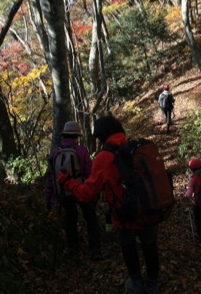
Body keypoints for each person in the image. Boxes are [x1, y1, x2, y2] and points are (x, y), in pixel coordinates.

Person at [59, 115, 161, 294]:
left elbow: (86, 194)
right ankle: (153, 284)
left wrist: (68, 182)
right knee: (150, 245)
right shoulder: (136, 147)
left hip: (125, 213)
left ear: (101, 136)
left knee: (128, 246)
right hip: (149, 207)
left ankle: (136, 283)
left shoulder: (104, 157)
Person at [47, 121, 101, 261]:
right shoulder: (81, 151)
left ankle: (73, 248)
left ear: (64, 135)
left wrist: (51, 196)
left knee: (70, 219)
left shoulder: (55, 152)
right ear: (76, 136)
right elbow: (90, 172)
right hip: (80, 189)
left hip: (64, 192)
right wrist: (94, 191)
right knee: (90, 217)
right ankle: (95, 249)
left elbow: (50, 176)